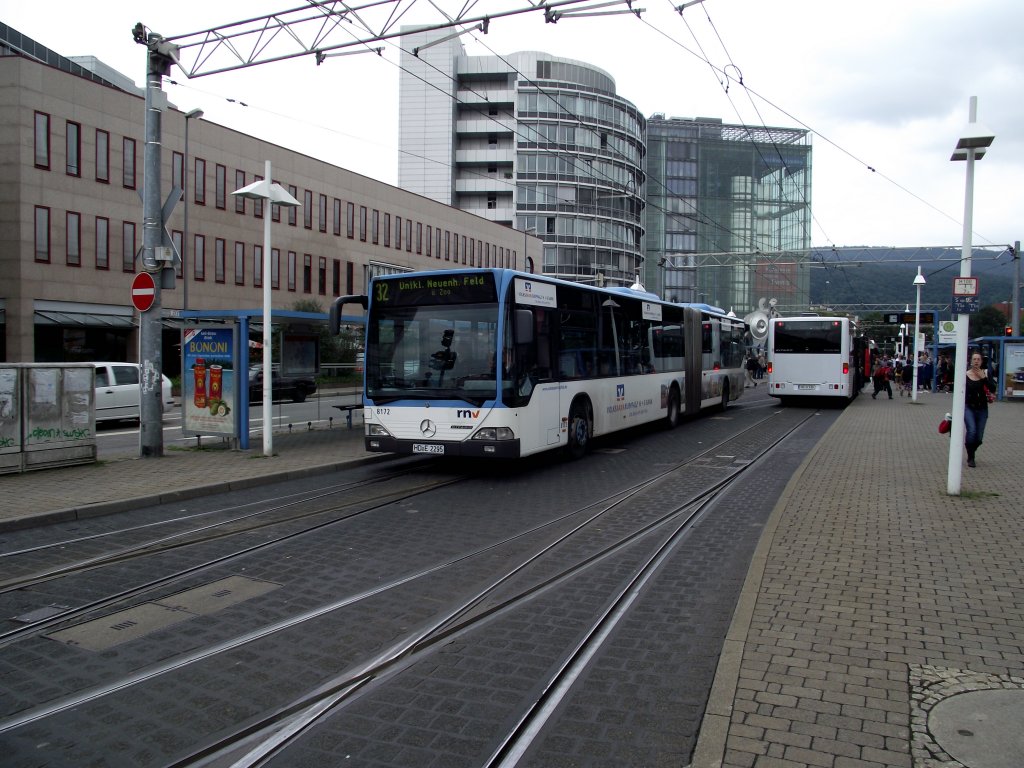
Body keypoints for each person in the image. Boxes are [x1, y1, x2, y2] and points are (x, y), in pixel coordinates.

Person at [963, 351, 998, 468]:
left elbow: (993, 388)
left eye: (978, 359)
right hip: (969, 407)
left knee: (979, 437)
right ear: (971, 361)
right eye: (974, 359)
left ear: (981, 362)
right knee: (971, 431)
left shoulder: (985, 374)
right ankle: (971, 457)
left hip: (982, 408)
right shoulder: (965, 375)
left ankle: (972, 448)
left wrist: (983, 378)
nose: (976, 361)